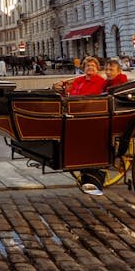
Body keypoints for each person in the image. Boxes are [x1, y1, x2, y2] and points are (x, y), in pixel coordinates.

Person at [55, 57, 108, 196]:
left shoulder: (101, 82)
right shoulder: (79, 80)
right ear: (83, 68)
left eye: (92, 66)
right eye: (87, 66)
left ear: (97, 69)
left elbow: (98, 99)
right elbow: (70, 92)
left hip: (90, 113)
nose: (90, 68)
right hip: (76, 111)